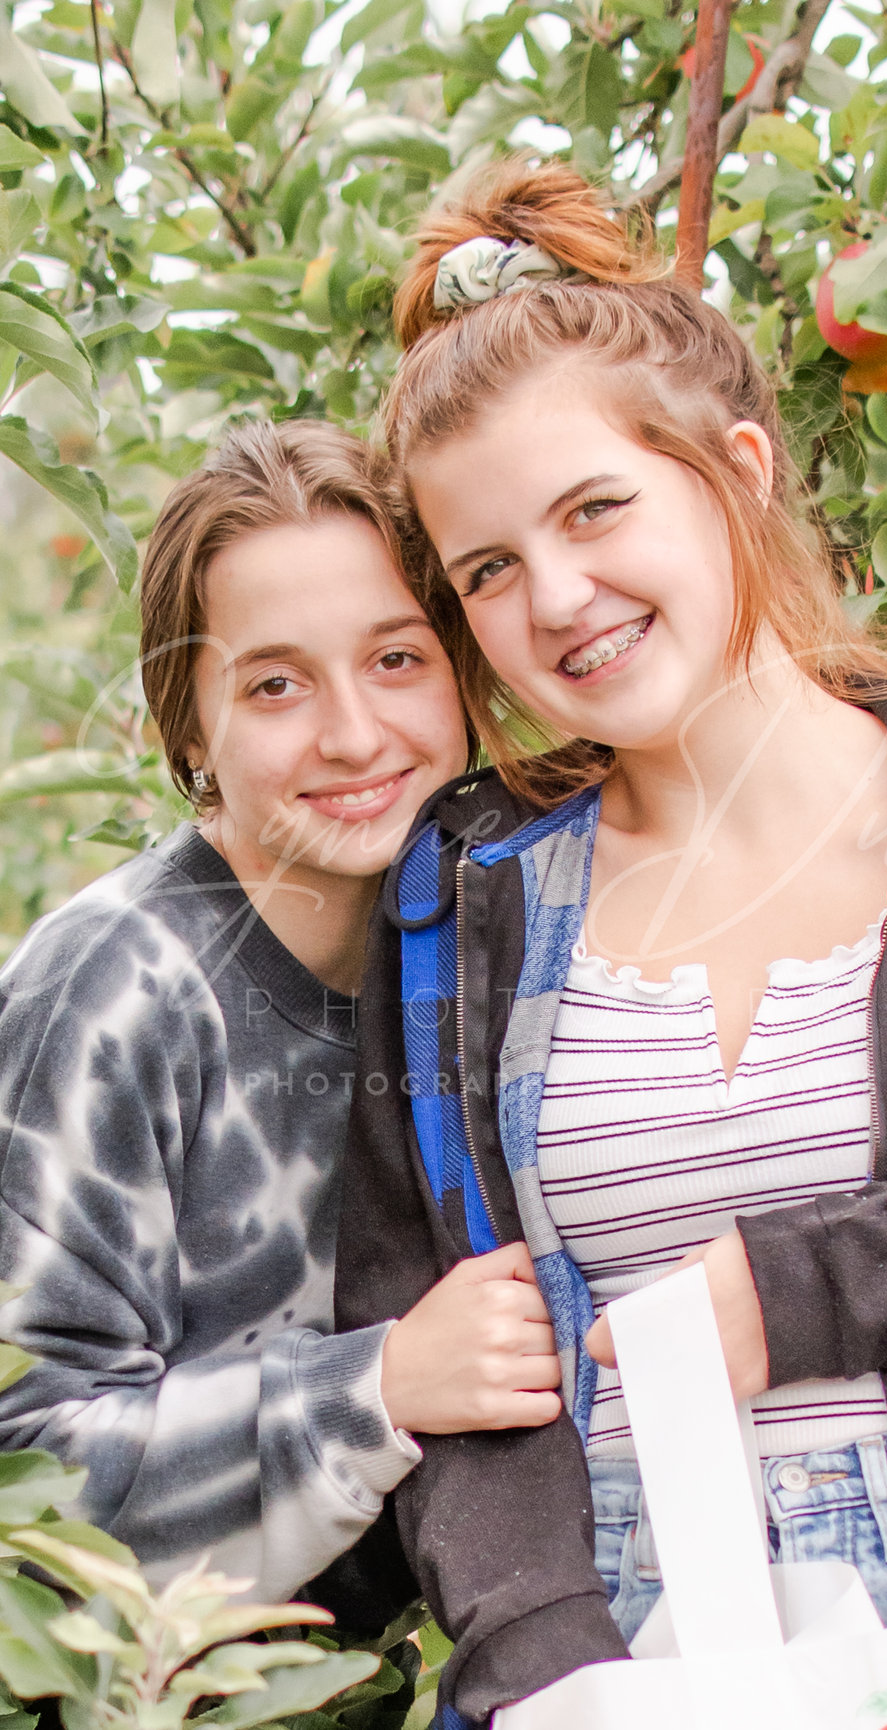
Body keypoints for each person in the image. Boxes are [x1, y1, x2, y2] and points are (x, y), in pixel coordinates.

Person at [336, 163, 887, 1730]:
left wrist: (829, 1278)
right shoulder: (461, 901)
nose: (556, 599)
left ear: (740, 470)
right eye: (486, 570)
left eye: (595, 509)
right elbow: (438, 1363)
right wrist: (550, 1668)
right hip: (627, 1684)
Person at [0, 419, 562, 1610]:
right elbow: (23, 1479)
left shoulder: (487, 938)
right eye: (274, 683)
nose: (354, 733)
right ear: (190, 724)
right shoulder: (111, 993)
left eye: (397, 658)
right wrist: (380, 1387)